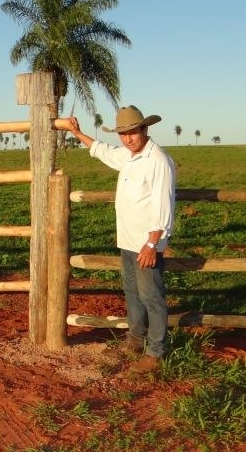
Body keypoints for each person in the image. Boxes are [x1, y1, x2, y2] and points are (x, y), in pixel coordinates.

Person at [60, 105, 176, 374]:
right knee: (133, 293)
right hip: (127, 240)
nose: (127, 139)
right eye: (122, 134)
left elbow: (163, 206)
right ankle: (134, 342)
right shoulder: (128, 156)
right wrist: (76, 131)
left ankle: (156, 353)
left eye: (132, 133)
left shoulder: (158, 160)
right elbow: (102, 151)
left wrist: (151, 243)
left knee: (152, 297)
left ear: (145, 129)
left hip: (146, 243)